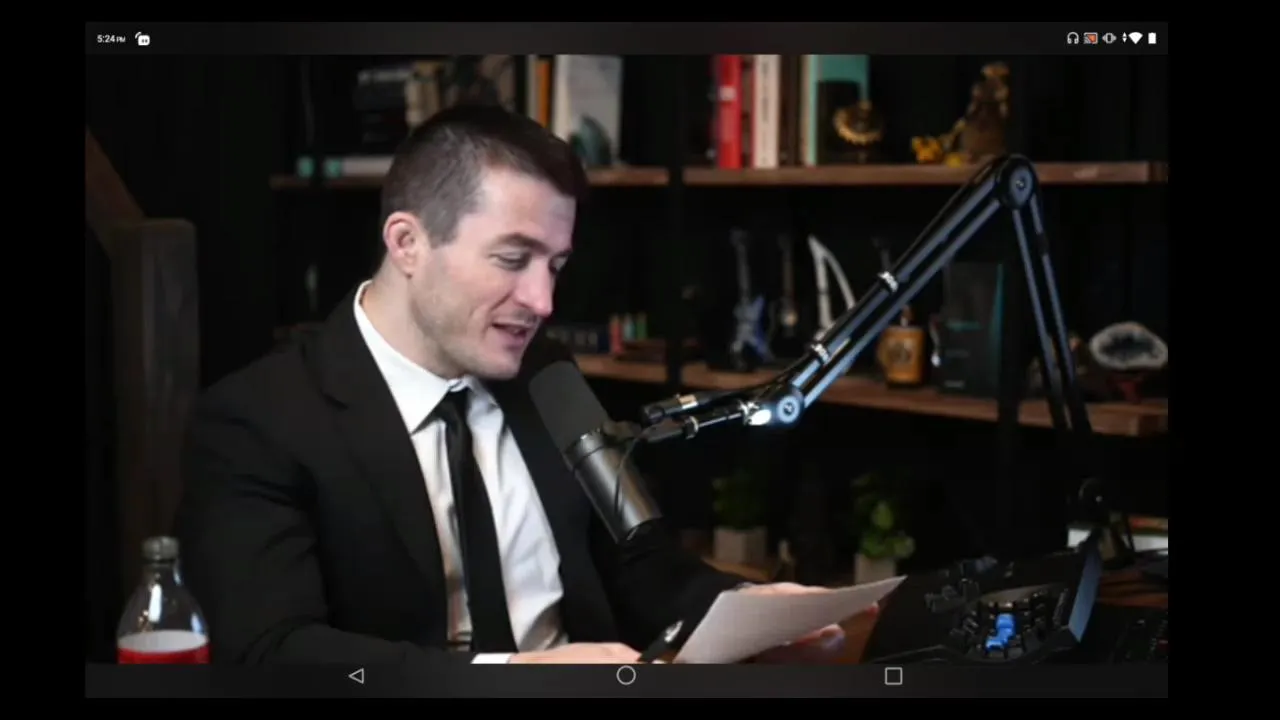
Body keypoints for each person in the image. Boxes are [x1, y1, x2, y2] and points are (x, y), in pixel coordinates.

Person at [174, 104, 849, 670]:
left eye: (555, 264)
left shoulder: (548, 375)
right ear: (407, 243)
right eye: (512, 258)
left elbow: (641, 566)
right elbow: (273, 651)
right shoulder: (257, 420)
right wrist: (511, 677)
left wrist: (745, 612)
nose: (543, 300)